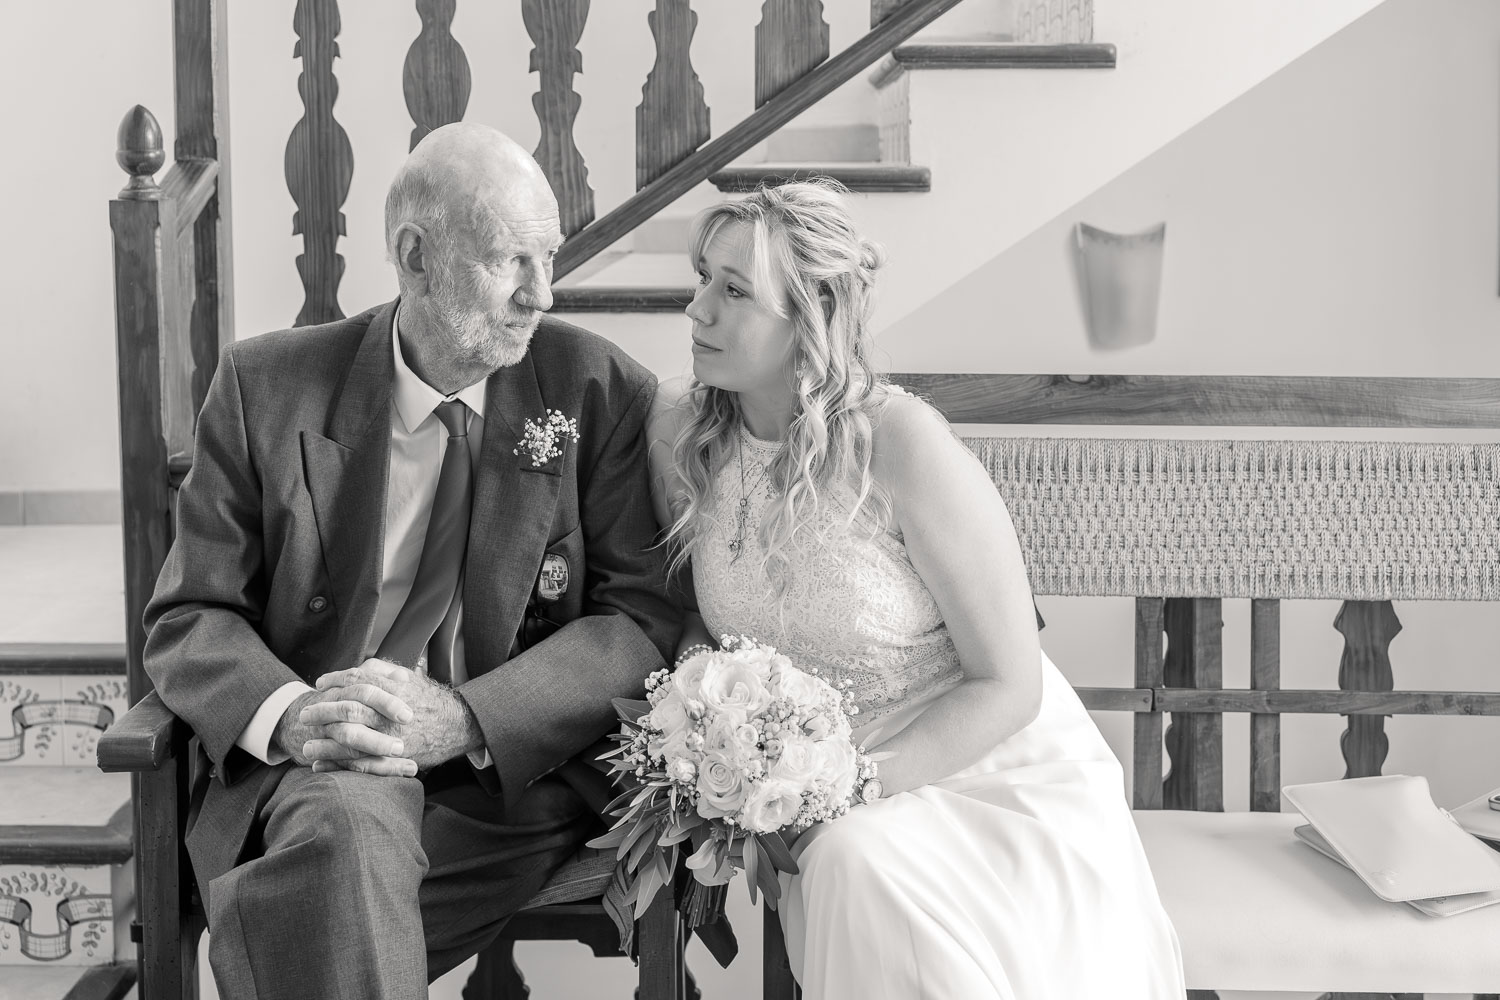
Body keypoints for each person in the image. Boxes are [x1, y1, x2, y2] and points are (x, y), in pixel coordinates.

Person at [143, 123, 676, 998]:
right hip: (329, 770)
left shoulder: (595, 388)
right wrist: (292, 715)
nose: (541, 293)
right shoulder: (267, 387)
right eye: (511, 260)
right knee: (347, 830)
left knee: (316, 908)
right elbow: (191, 613)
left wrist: (467, 716)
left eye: (549, 258)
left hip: (509, 783)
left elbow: (641, 617)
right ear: (415, 256)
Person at [647, 181, 1186, 999]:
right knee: (853, 863)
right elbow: (697, 617)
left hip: (984, 769)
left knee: (861, 861)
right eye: (700, 279)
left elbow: (1011, 681)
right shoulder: (685, 444)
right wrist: (708, 730)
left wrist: (841, 785)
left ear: (809, 314)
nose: (697, 311)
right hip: (813, 796)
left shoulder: (898, 441)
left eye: (732, 291)